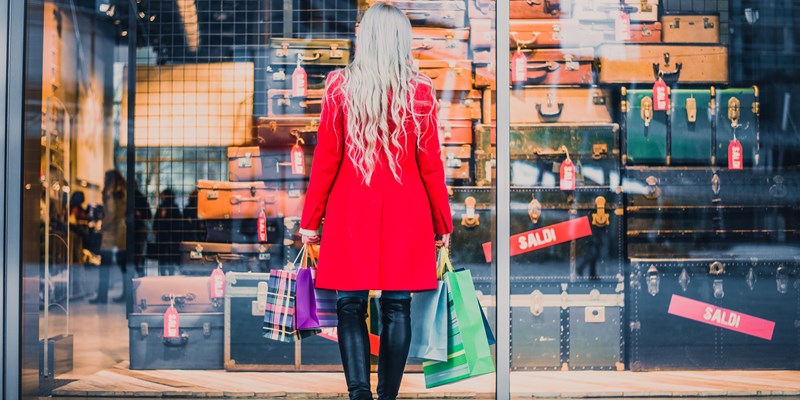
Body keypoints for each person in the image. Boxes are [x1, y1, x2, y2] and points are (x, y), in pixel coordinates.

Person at [299, 4, 452, 399]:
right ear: (402, 40)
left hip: (350, 211)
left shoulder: (338, 87)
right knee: (397, 308)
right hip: (408, 211)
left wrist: (310, 221)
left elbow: (326, 160)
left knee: (350, 306)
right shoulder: (419, 91)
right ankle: (387, 396)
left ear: (363, 37)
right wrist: (442, 224)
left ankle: (359, 395)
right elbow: (431, 165)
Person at [90, 170, 127, 304]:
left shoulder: (110, 193)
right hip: (121, 232)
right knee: (123, 266)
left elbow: (110, 213)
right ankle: (125, 295)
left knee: (104, 266)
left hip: (111, 233)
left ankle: (102, 296)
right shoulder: (122, 193)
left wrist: (103, 226)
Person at [152, 188, 183, 276]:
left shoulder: (172, 207)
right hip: (165, 236)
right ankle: (164, 273)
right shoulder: (163, 207)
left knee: (169, 256)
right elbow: (156, 220)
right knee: (164, 256)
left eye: (163, 195)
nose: (162, 197)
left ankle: (169, 273)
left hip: (170, 236)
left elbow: (178, 222)